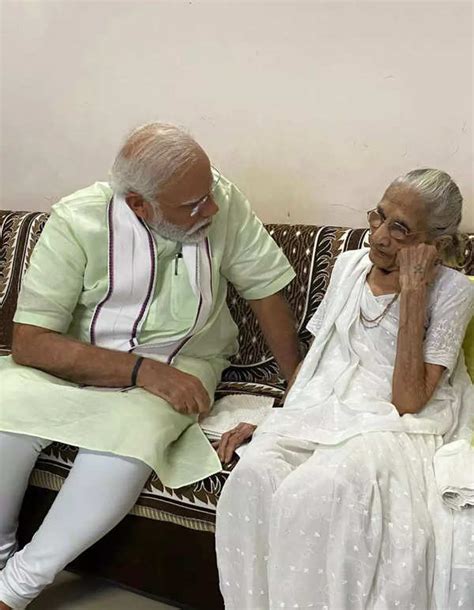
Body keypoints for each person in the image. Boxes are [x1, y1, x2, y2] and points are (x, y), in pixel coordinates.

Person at [0, 122, 302, 609]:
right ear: (140, 203)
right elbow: (30, 343)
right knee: (4, 408)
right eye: (192, 205)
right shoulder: (78, 220)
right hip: (81, 363)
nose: (213, 208)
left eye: (209, 193)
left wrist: (300, 390)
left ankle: (15, 588)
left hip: (185, 363)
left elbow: (265, 292)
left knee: (135, 436)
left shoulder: (221, 201)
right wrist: (141, 371)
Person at [215, 169, 474, 610]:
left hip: (394, 423)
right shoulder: (349, 265)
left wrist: (413, 293)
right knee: (254, 474)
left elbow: (409, 400)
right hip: (325, 407)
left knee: (318, 489)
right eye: (379, 216)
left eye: (400, 229)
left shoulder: (454, 292)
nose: (378, 236)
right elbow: (320, 358)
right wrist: (276, 416)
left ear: (436, 242)